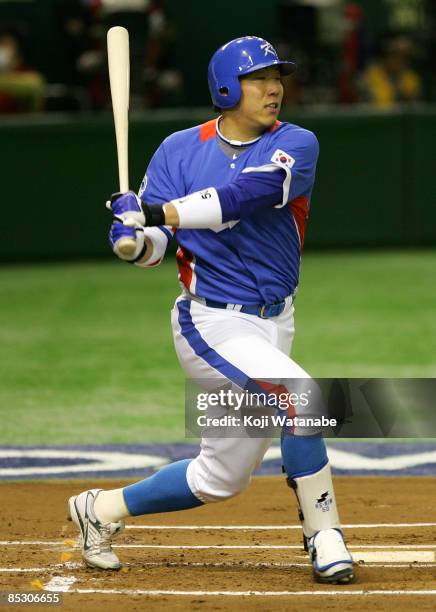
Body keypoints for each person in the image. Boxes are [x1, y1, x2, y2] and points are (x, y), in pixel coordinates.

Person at [68, 36, 354, 585]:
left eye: (278, 78)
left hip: (275, 321)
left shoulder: (296, 143)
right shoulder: (178, 150)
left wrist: (152, 211)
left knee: (220, 477)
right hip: (210, 322)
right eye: (258, 79)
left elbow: (243, 197)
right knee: (300, 398)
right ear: (226, 86)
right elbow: (154, 248)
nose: (274, 89)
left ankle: (97, 510)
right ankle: (325, 535)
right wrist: (132, 240)